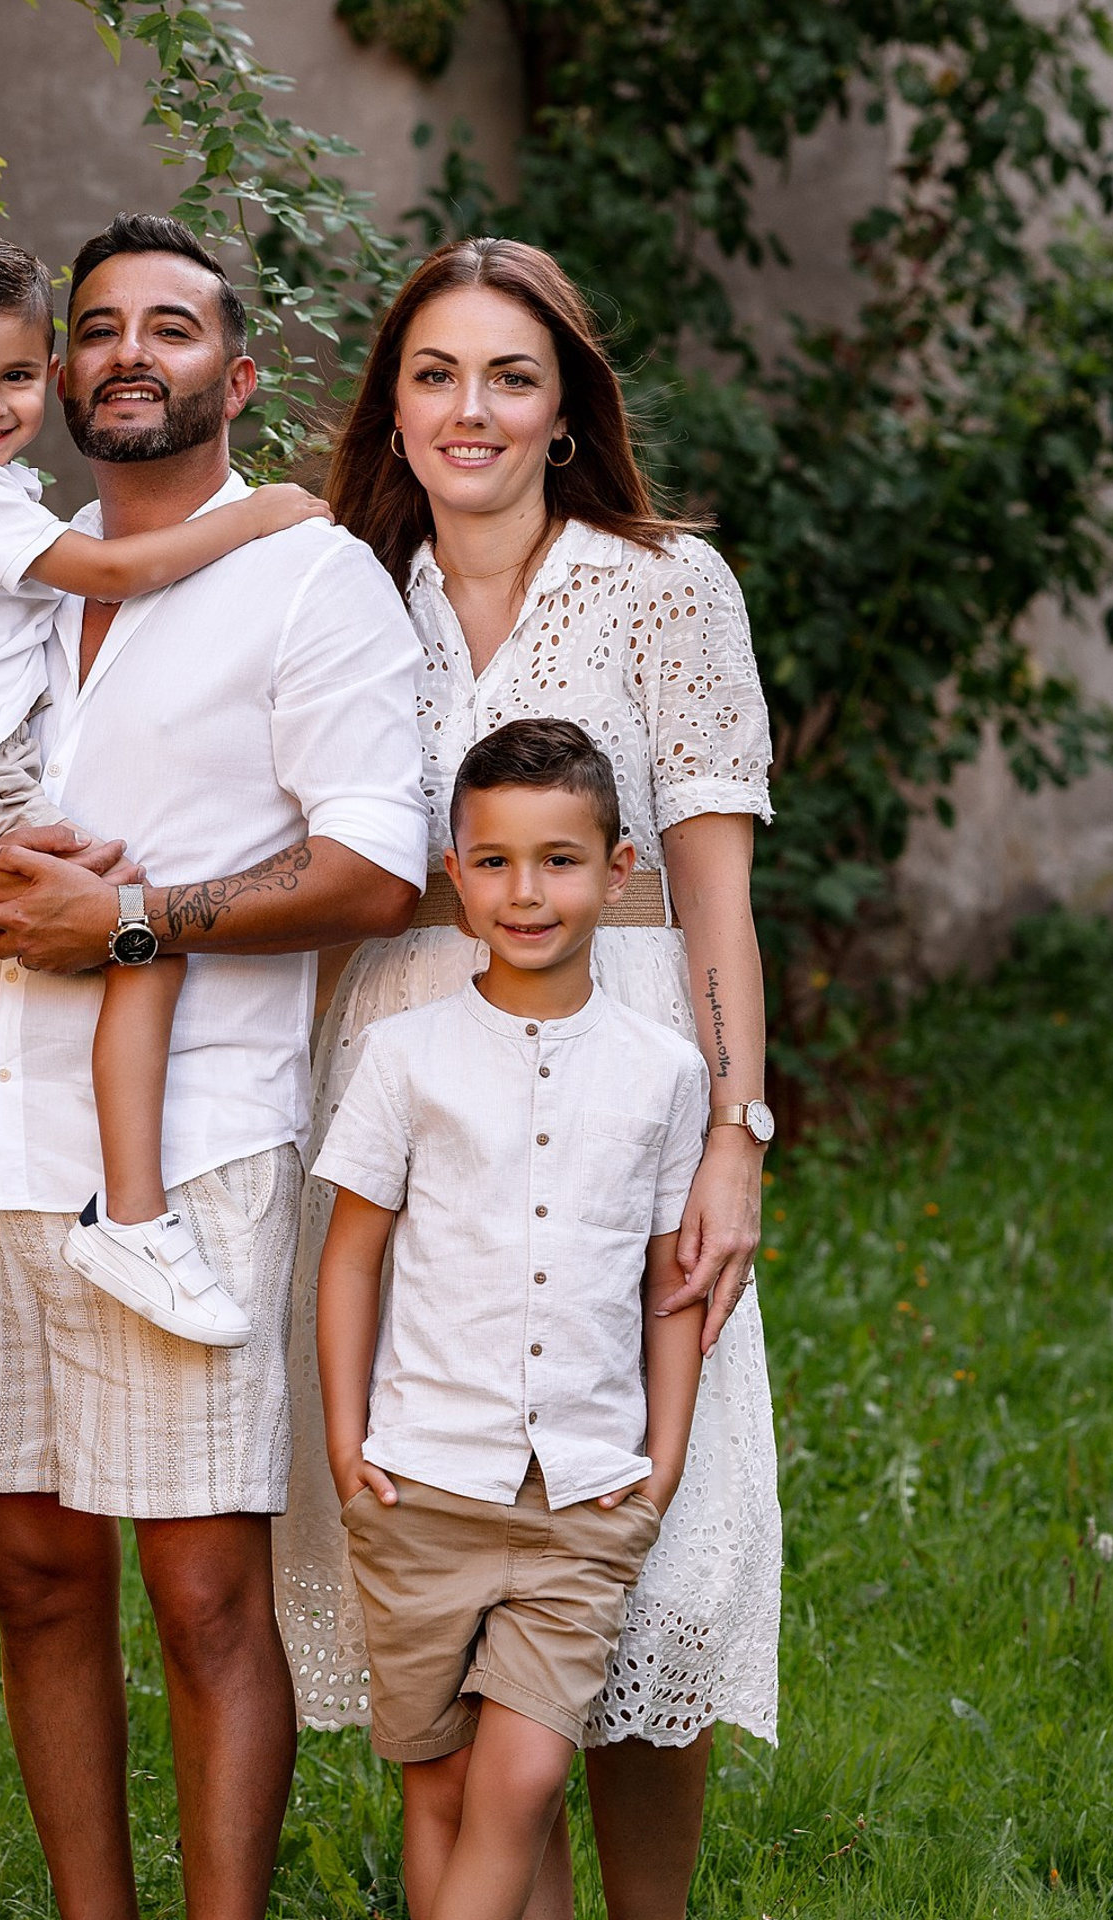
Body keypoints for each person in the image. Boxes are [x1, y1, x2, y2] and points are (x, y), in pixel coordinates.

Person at [0, 212, 429, 1920]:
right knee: (28, 1577)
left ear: (235, 377)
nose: (125, 355)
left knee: (205, 1596)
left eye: (171, 329)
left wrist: (140, 923)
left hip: (187, 1154)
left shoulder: (309, 578)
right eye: (96, 327)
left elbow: (377, 871)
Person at [277, 235, 782, 1920]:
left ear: (565, 403)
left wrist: (736, 1131)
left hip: (628, 1063)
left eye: (510, 374)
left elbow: (714, 886)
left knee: (648, 1536)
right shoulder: (345, 589)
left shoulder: (660, 587)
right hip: (412, 1082)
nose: (470, 409)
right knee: (451, 1534)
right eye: (434, 375)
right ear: (393, 405)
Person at [0, 232, 333, 1358]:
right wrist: (263, 513)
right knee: (137, 924)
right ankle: (136, 1214)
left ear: (46, 370)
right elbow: (116, 572)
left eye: (14, 376)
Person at [316, 718, 708, 1920]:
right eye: (494, 861)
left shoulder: (665, 1069)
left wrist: (665, 1460)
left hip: (583, 1495)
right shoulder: (404, 1056)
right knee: (443, 1791)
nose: (526, 892)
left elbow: (669, 1280)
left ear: (619, 870)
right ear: (455, 872)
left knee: (528, 1775)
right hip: (422, 1482)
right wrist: (347, 1442)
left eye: (559, 860)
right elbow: (352, 1259)